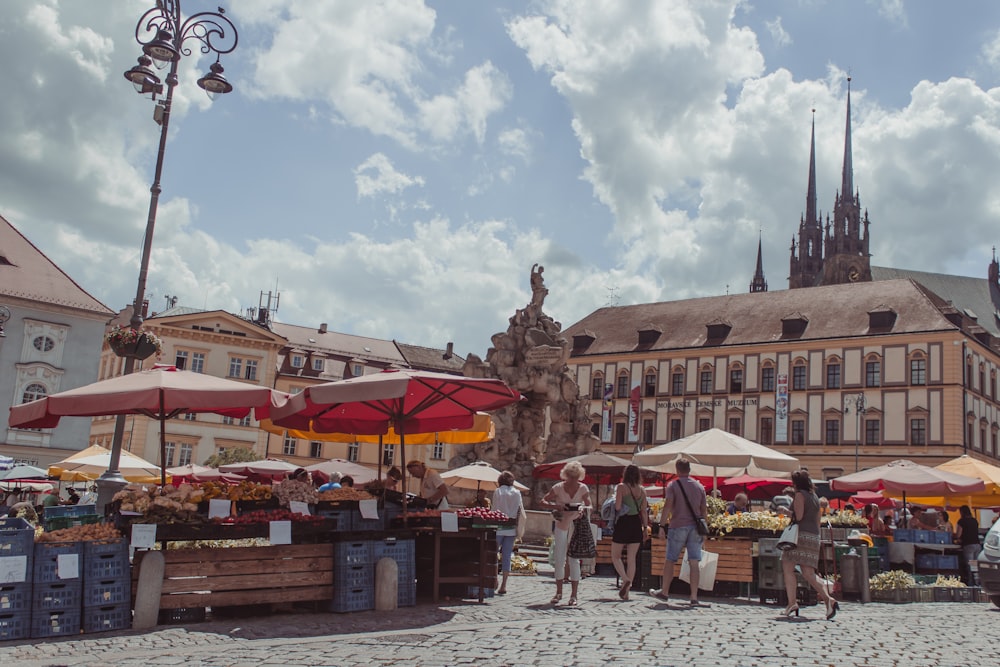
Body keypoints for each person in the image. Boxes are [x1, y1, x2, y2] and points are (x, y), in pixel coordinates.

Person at [780, 469, 839, 620]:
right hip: (813, 536)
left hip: (800, 537)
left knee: (788, 568)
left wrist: (785, 511)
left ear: (796, 483)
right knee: (808, 573)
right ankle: (828, 600)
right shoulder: (815, 497)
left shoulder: (800, 495)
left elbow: (798, 517)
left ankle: (792, 603)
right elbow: (818, 520)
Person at [650, 458, 709, 607]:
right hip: (695, 528)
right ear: (689, 469)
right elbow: (703, 510)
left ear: (677, 470)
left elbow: (668, 505)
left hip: (678, 526)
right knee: (694, 562)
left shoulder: (673, 485)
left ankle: (665, 592)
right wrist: (705, 530)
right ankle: (694, 597)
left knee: (671, 559)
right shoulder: (699, 486)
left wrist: (662, 526)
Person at [540, 460, 591, 606]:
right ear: (566, 475)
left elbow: (589, 504)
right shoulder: (558, 487)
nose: (573, 480)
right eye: (570, 476)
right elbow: (542, 501)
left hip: (576, 525)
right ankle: (559, 592)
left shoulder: (583, 488)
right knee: (559, 558)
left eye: (575, 477)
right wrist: (557, 506)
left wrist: (582, 508)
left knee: (574, 559)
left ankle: (574, 595)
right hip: (561, 524)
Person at [611, 464, 648, 601]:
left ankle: (625, 579)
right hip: (636, 524)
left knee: (616, 556)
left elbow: (618, 506)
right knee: (632, 559)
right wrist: (645, 528)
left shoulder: (621, 487)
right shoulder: (642, 490)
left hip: (623, 522)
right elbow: (644, 511)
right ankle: (627, 592)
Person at [491, 471, 524, 596]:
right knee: (506, 556)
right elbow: (519, 510)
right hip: (511, 528)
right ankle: (504, 585)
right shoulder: (517, 492)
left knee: (493, 554)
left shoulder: (498, 492)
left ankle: (495, 579)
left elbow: (494, 509)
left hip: (499, 527)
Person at [956, 505, 981, 585]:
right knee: (975, 566)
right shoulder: (974, 520)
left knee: (969, 566)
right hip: (977, 544)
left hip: (968, 545)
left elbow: (958, 535)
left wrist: (957, 538)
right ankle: (977, 583)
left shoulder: (962, 521)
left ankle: (971, 583)